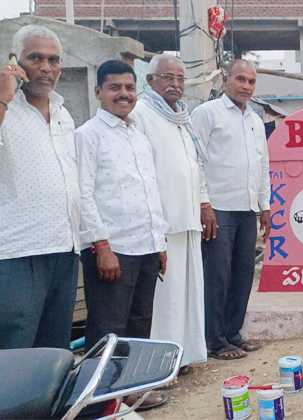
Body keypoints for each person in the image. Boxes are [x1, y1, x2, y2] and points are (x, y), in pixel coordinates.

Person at [76, 60, 169, 410]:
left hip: (145, 247)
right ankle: (97, 403)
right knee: (106, 330)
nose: (123, 94)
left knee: (138, 326)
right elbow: (83, 195)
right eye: (115, 87)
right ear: (98, 92)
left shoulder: (138, 136)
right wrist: (101, 245)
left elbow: (150, 192)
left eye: (129, 88)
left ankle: (127, 393)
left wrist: (159, 244)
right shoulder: (88, 135)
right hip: (112, 249)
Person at [0, 25, 81, 350]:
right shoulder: (7, 109)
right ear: (15, 60)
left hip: (64, 248)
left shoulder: (64, 114)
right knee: (16, 349)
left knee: (54, 350)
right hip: (19, 252)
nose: (46, 68)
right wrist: (4, 95)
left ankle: (50, 404)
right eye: (35, 58)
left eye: (54, 60)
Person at [130, 54, 210, 376]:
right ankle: (160, 366)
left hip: (187, 219)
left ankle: (182, 356)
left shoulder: (182, 118)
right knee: (165, 301)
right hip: (162, 225)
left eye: (180, 78)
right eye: (168, 78)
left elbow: (195, 168)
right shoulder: (140, 113)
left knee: (186, 296)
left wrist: (204, 204)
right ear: (150, 81)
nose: (176, 84)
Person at [191, 59, 270, 360]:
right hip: (218, 208)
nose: (246, 86)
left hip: (246, 208)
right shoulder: (207, 114)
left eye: (251, 81)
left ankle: (233, 333)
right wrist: (203, 202)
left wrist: (266, 206)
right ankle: (215, 340)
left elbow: (263, 165)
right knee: (217, 276)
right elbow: (195, 160)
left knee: (242, 274)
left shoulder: (255, 120)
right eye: (240, 79)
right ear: (225, 81)